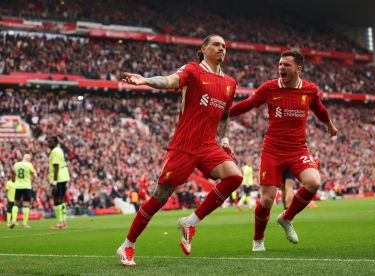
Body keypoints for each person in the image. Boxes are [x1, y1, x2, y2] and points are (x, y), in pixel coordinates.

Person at [116, 34, 243, 266]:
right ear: (204, 48)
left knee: (235, 177)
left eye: (224, 46)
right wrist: (145, 80)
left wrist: (223, 139)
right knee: (160, 197)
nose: (221, 49)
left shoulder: (230, 83)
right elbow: (169, 80)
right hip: (184, 145)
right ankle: (127, 245)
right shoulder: (193, 70)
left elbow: (225, 115)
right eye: (216, 44)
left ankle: (190, 222)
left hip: (208, 145)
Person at [230, 50, 337, 251]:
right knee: (267, 199)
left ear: (298, 69)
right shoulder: (269, 87)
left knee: (314, 182)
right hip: (273, 150)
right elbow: (248, 104)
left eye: (286, 65)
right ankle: (258, 240)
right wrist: (225, 114)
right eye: (280, 64)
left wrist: (329, 125)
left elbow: (319, 109)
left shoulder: (309, 90)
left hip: (298, 150)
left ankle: (286, 218)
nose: (281, 68)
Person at [48, 136, 71, 230]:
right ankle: (63, 222)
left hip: (59, 178)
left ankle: (60, 223)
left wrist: (54, 182)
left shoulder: (55, 151)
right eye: (48, 142)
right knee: (61, 199)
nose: (48, 144)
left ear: (55, 142)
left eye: (51, 142)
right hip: (63, 176)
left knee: (57, 199)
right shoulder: (59, 150)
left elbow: (56, 166)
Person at [10, 154, 37, 228]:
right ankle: (25, 223)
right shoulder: (29, 165)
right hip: (26, 186)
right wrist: (33, 178)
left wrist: (14, 180)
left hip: (18, 186)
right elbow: (35, 175)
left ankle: (14, 220)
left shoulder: (16, 164)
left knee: (16, 203)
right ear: (29, 159)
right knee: (26, 204)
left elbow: (13, 176)